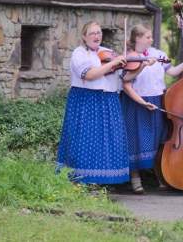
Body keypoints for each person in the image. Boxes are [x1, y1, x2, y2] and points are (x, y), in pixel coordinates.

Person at [56, 22, 147, 185]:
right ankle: (81, 182)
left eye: (98, 33)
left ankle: (101, 182)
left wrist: (141, 67)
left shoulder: (108, 53)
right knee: (85, 140)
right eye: (92, 33)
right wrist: (114, 63)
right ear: (84, 37)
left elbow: (124, 78)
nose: (96, 36)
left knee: (105, 143)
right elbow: (89, 74)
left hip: (108, 101)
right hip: (86, 100)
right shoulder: (79, 53)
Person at [120, 24, 183, 193]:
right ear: (137, 38)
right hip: (136, 102)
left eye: (151, 37)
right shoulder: (130, 57)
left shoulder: (159, 54)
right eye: (147, 37)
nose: (151, 39)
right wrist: (143, 65)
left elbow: (173, 72)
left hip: (159, 99)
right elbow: (126, 79)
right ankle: (135, 178)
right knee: (136, 138)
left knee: (159, 138)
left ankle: (161, 174)